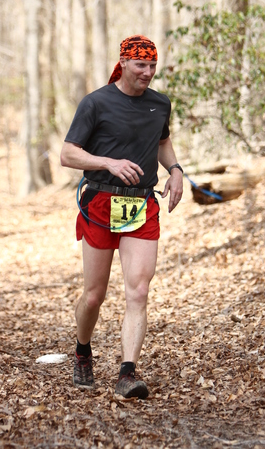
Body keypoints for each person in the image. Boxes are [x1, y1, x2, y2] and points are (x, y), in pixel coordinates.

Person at [60, 35, 183, 399]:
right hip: (101, 202)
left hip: (141, 205)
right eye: (141, 65)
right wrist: (107, 163)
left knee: (139, 290)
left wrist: (175, 169)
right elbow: (68, 154)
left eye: (152, 66)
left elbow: (162, 141)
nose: (148, 72)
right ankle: (83, 350)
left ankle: (127, 373)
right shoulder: (96, 103)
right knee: (94, 295)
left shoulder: (160, 104)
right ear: (124, 63)